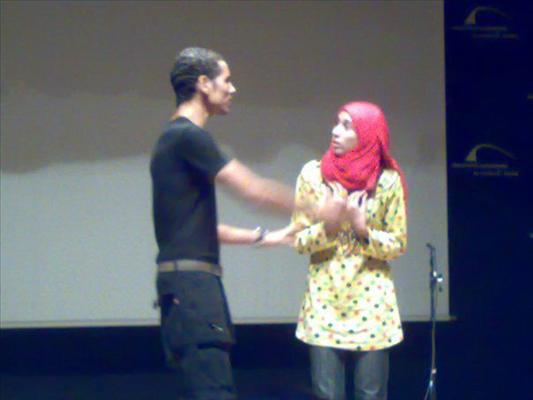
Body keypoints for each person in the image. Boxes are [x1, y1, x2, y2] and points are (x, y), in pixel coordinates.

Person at [150, 47, 343, 399]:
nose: (232, 88)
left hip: (186, 288)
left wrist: (266, 237)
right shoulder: (188, 136)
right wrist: (320, 209)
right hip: (193, 290)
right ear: (204, 83)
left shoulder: (172, 139)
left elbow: (199, 230)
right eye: (226, 80)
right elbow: (253, 191)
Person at [266, 101, 408, 400]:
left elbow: (397, 245)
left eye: (347, 126)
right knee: (326, 395)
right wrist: (329, 227)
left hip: (372, 306)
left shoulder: (387, 180)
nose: (335, 131)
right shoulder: (313, 175)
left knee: (371, 394)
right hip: (324, 303)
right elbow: (298, 239)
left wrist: (362, 230)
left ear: (368, 135)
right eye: (336, 123)